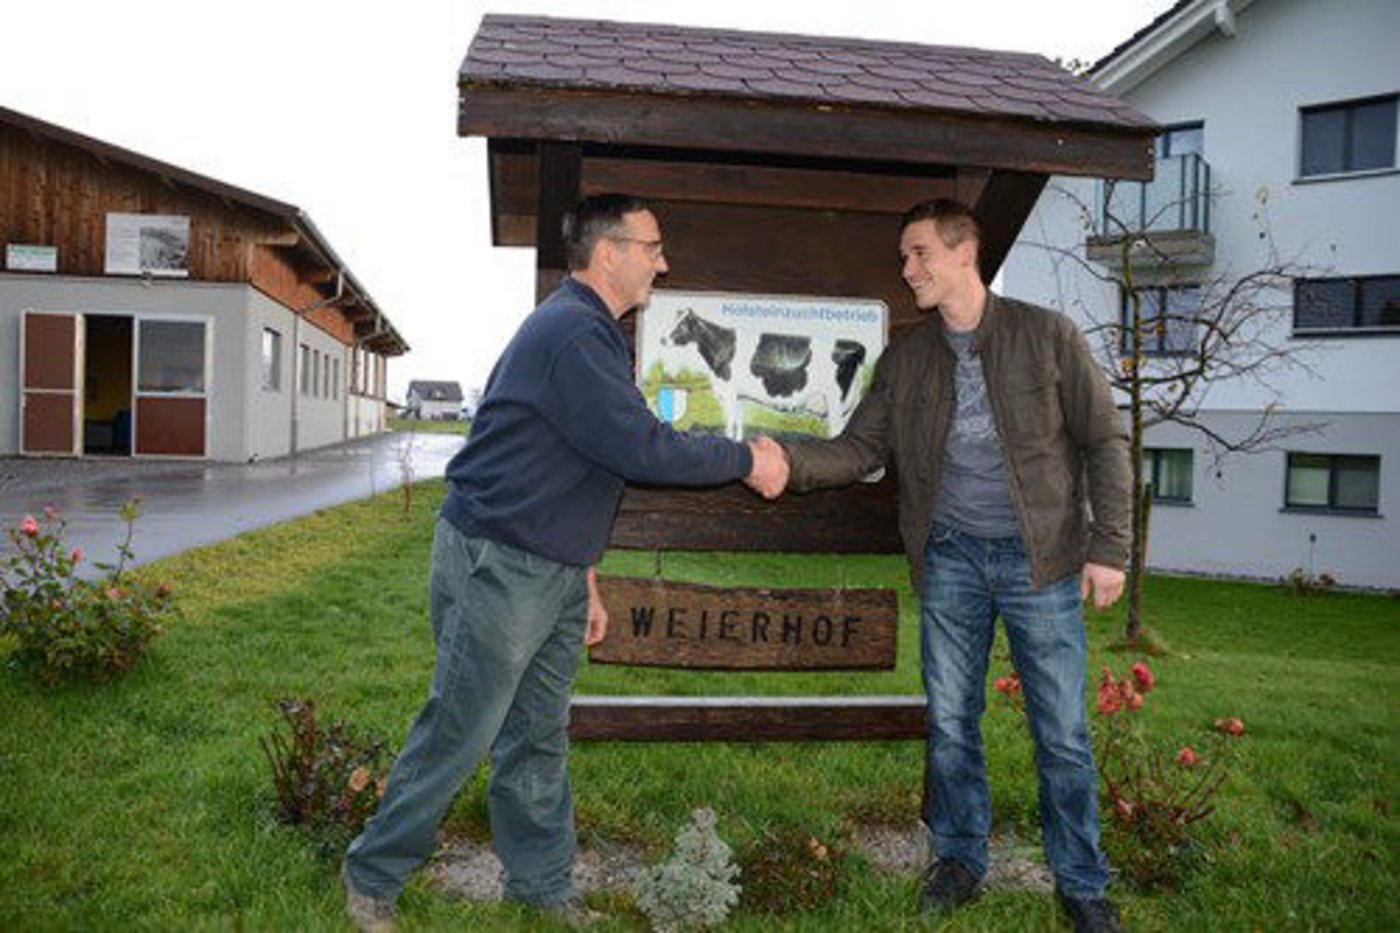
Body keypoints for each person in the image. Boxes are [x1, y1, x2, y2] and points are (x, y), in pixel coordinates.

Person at [341, 192, 789, 931]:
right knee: (460, 728)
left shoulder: (587, 331)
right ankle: (372, 874)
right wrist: (746, 459)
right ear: (609, 253)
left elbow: (572, 460)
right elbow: (638, 446)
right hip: (501, 561)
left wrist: (584, 574)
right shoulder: (574, 333)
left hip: (547, 566)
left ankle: (541, 888)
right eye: (653, 247)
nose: (663, 263)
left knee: (538, 733)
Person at [778, 199, 1130, 933]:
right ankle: (960, 859)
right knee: (950, 722)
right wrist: (784, 460)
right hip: (952, 559)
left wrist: (1109, 549)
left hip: (1042, 560)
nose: (907, 270)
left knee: (1062, 732)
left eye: (919, 254)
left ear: (965, 251)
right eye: (904, 257)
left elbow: (1104, 441)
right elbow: (860, 448)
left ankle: (1081, 882)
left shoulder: (1047, 336)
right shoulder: (907, 357)